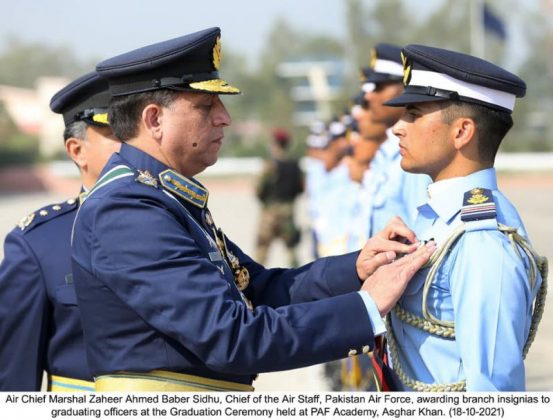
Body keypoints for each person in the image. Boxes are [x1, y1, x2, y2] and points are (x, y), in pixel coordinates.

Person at [71, 27, 435, 391]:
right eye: (205, 105)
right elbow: (230, 337)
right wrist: (366, 307)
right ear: (154, 120)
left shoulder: (164, 198)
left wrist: (355, 269)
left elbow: (259, 288)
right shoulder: (128, 211)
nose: (224, 117)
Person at [383, 44, 547, 391]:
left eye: (413, 114)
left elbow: (493, 393)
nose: (397, 127)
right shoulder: (441, 219)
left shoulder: (481, 241)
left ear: (462, 132)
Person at [0, 72, 121, 391]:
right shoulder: (41, 243)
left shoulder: (188, 225)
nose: (133, 148)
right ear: (76, 150)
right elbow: (13, 382)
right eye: (117, 134)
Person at [363, 43, 431, 235]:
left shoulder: (413, 153)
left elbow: (422, 236)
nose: (368, 96)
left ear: (403, 89)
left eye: (378, 86)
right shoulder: (387, 152)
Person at [255, 128, 303, 266]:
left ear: (275, 144)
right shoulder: (295, 165)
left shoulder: (270, 165)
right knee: (292, 250)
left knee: (262, 251)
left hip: (270, 212)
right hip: (288, 212)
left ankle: (254, 283)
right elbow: (300, 188)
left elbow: (259, 189)